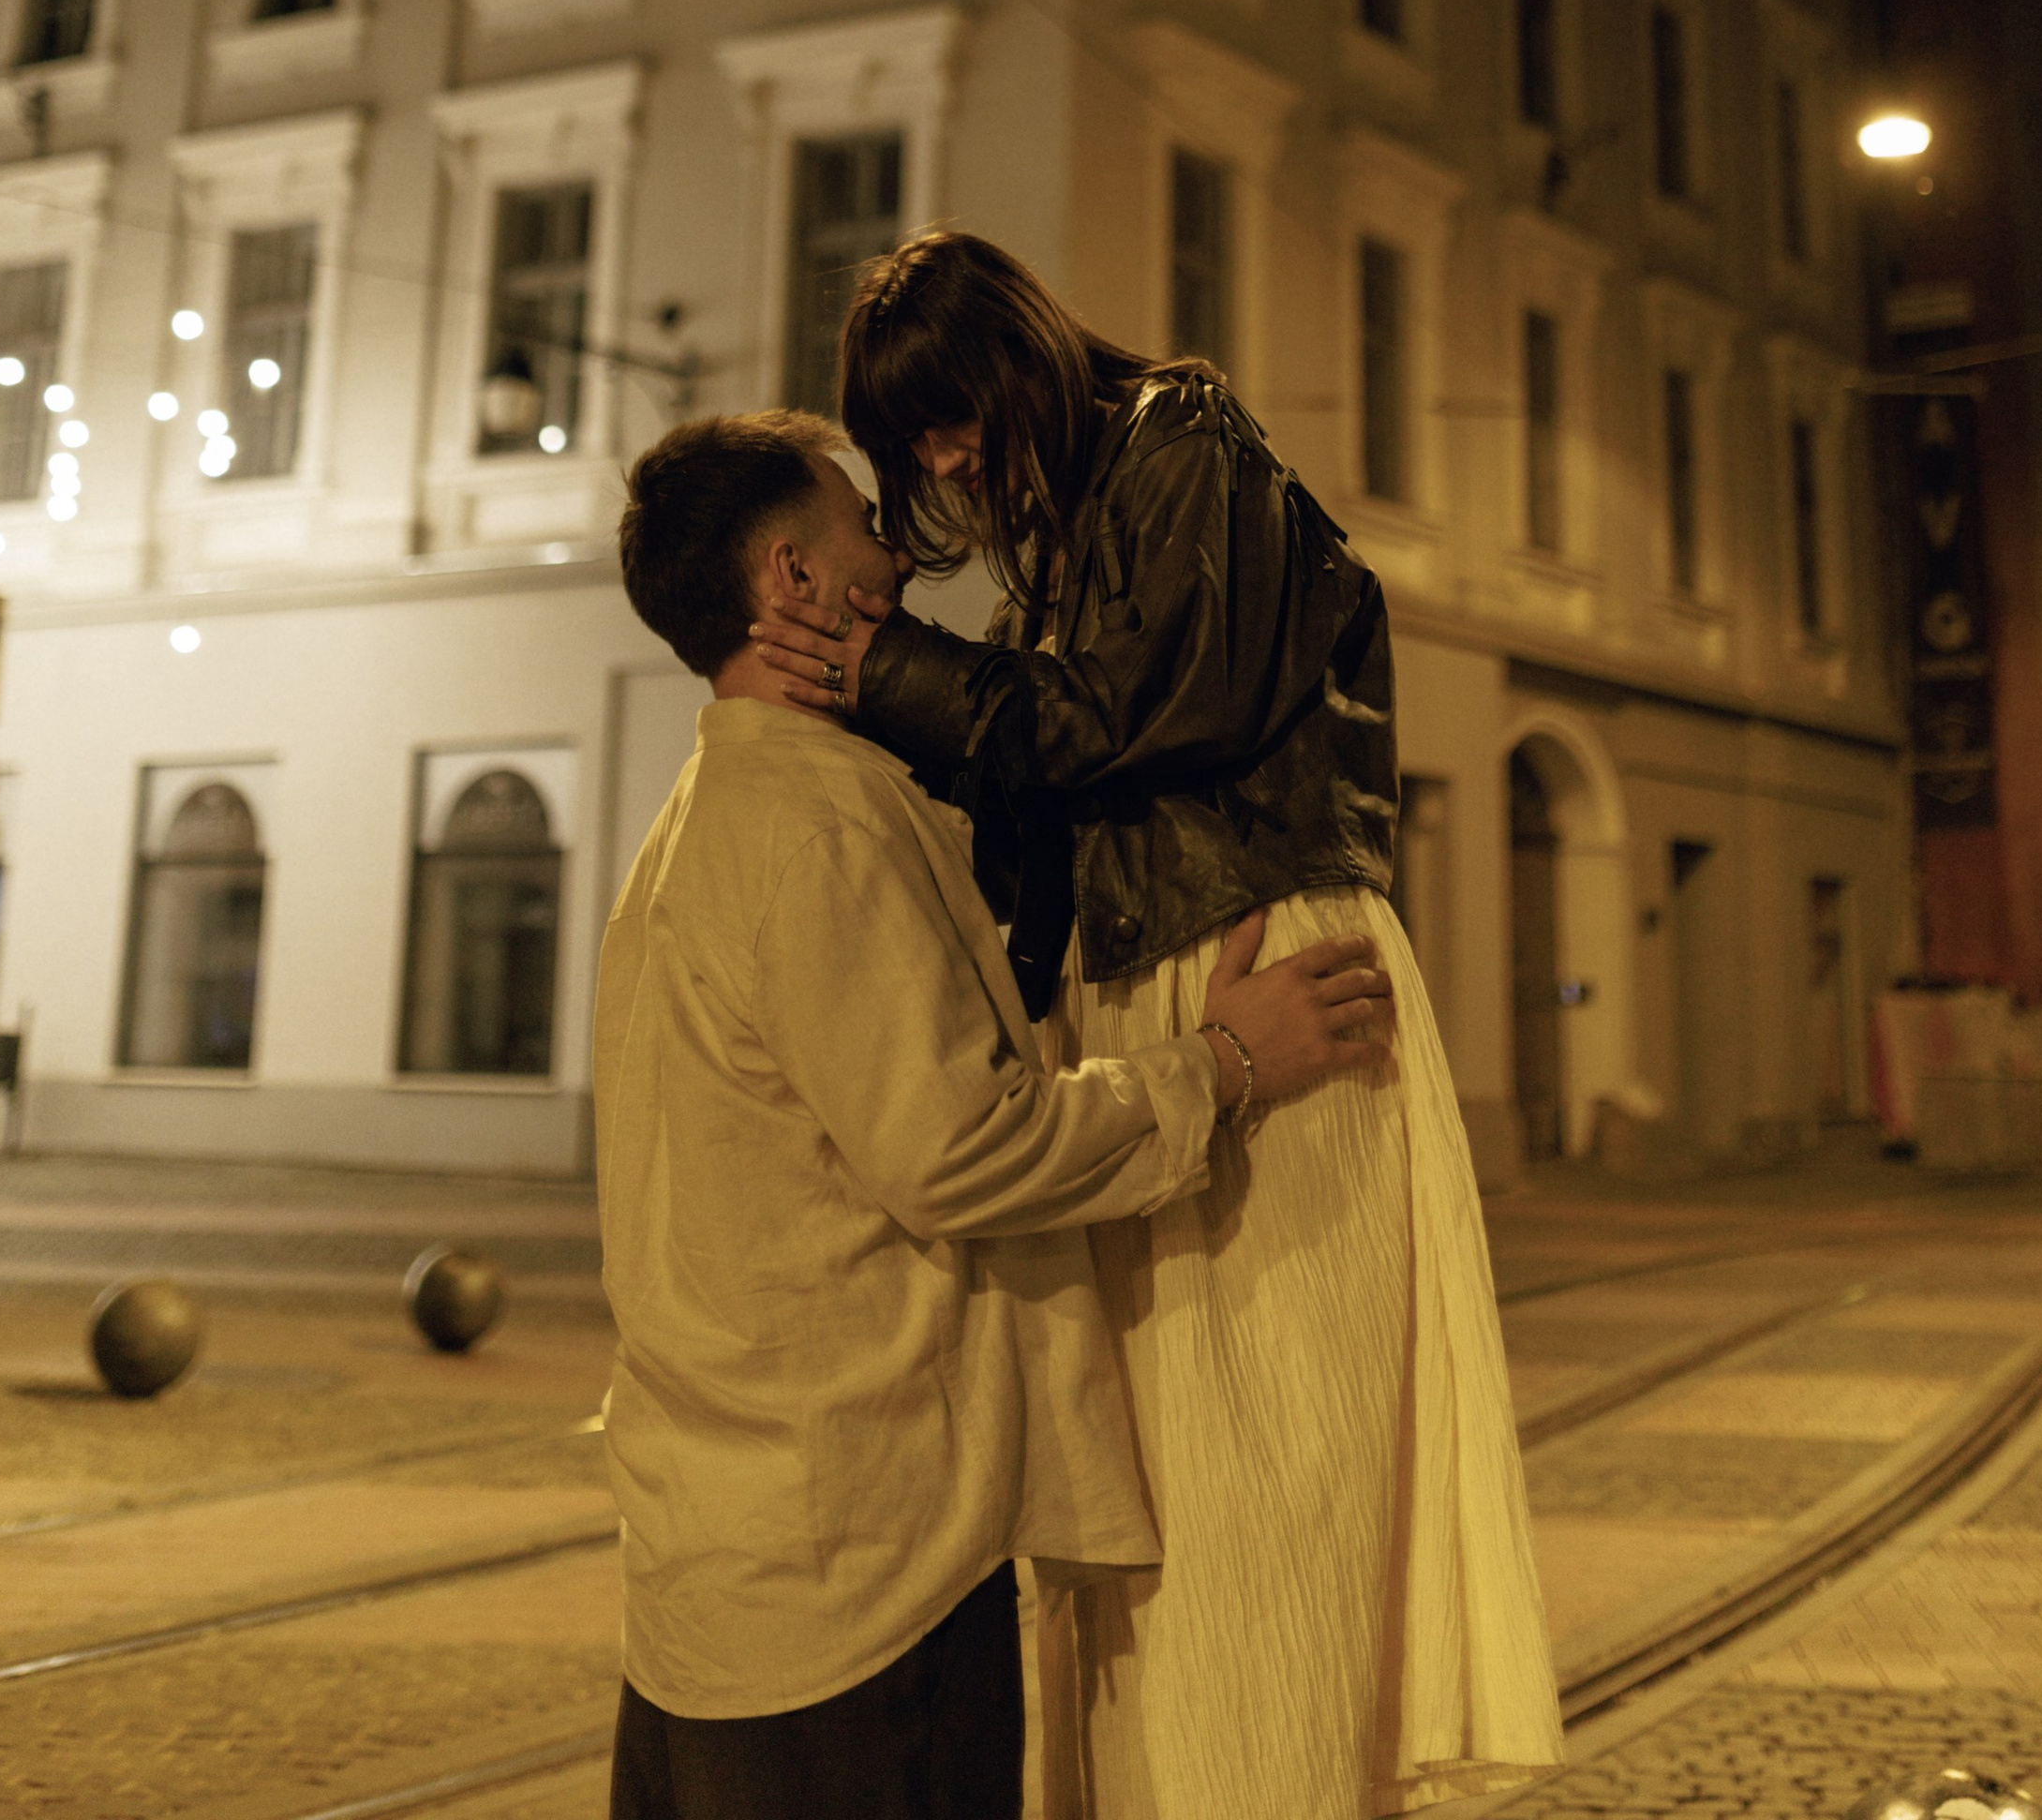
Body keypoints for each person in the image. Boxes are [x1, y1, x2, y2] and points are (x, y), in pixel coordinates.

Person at [748, 232, 1562, 1820]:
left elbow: (1124, 717)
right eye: (914, 440)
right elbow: (1044, 785)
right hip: (1161, 992)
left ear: (1019, 356)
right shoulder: (1067, 538)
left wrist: (882, 665)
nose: (945, 460)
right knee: (1146, 1503)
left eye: (951, 415)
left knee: (1267, 1502)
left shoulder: (1188, 441)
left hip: (1250, 962)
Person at [600, 406, 1394, 1820]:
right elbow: (962, 1149)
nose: (897, 551)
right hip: (859, 1583)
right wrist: (1225, 1061)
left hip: (721, 1568)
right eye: (862, 524)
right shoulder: (818, 828)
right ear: (794, 577)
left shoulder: (695, 824)